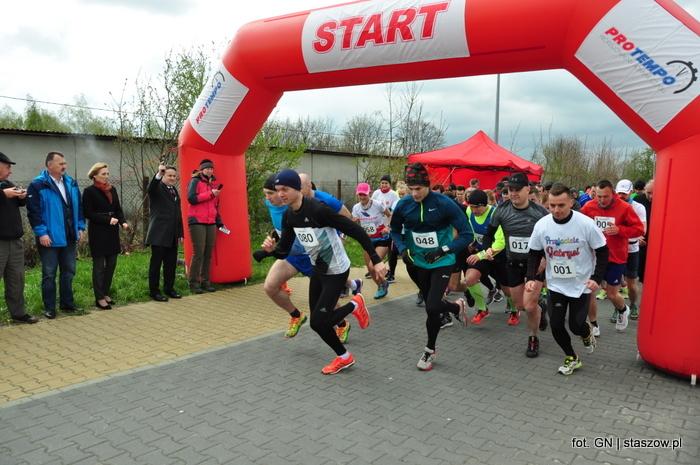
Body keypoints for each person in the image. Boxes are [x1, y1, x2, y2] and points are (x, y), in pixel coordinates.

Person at [260, 169, 387, 375]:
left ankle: (355, 304)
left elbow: (354, 229)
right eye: (278, 190)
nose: (280, 194)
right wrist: (270, 250)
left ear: (298, 189)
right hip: (318, 268)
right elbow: (284, 249)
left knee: (319, 321)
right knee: (317, 323)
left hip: (337, 270)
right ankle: (345, 357)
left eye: (285, 189)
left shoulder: (318, 209)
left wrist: (376, 259)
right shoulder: (290, 216)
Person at [390, 163, 471, 371]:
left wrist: (443, 250)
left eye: (419, 189)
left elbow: (466, 235)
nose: (415, 193)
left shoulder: (444, 204)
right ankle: (455, 307)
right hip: (416, 262)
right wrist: (402, 249)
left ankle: (429, 350)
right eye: (411, 189)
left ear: (428, 185)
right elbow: (395, 230)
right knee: (431, 305)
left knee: (432, 307)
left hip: (441, 262)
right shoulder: (403, 204)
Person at [526, 183, 608, 375]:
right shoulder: (542, 225)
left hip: (581, 284)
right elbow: (534, 253)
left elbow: (603, 251)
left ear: (571, 202)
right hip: (556, 284)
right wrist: (530, 277)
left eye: (561, 205)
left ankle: (586, 332)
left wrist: (597, 278)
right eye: (552, 206)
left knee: (576, 326)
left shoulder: (585, 224)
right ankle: (572, 357)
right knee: (555, 324)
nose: (556, 210)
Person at [482, 172, 549, 358]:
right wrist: (487, 248)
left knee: (528, 307)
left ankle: (533, 337)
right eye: (510, 190)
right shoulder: (501, 210)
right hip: (512, 263)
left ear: (528, 189)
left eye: (518, 190)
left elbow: (550, 238)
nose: (513, 193)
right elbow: (489, 234)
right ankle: (540, 309)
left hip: (534, 264)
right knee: (520, 305)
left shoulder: (540, 212)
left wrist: (545, 258)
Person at [27, 151, 85, 319]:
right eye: (60, 164)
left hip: (69, 236)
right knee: (49, 274)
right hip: (49, 238)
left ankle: (67, 304)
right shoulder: (38, 185)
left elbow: (78, 207)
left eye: (65, 163)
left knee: (69, 271)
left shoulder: (71, 183)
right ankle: (50, 308)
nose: (64, 166)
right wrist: (41, 233)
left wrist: (80, 227)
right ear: (49, 165)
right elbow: (34, 212)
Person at [581, 180, 644, 334]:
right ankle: (594, 325)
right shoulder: (589, 207)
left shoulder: (625, 208)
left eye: (605, 197)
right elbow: (578, 222)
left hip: (615, 257)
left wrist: (620, 230)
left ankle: (623, 309)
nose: (601, 200)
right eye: (598, 196)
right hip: (594, 257)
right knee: (590, 292)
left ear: (613, 194)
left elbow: (639, 229)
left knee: (611, 294)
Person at [82, 163, 129, 310]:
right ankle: (99, 297)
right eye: (103, 174)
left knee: (112, 264)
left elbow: (118, 209)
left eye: (108, 174)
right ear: (94, 175)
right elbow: (88, 213)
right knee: (99, 266)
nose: (106, 176)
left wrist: (123, 222)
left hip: (112, 231)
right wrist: (107, 220)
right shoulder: (89, 191)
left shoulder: (112, 189)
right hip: (98, 231)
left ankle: (106, 292)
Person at [0, 152, 38, 324]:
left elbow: (18, 203)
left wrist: (22, 197)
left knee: (17, 279)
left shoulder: (8, 184)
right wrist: (3, 195)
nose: (10, 171)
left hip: (15, 241)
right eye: (8, 167)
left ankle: (18, 313)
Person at [146, 162, 184, 302]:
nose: (172, 178)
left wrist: (180, 233)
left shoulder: (174, 191)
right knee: (156, 264)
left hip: (172, 235)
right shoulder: (157, 188)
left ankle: (169, 288)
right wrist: (158, 174)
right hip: (159, 234)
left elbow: (177, 214)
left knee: (171, 264)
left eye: (174, 176)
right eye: (169, 175)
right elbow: (150, 189)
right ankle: (154, 291)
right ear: (163, 176)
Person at [186, 159, 222, 294]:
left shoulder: (213, 184)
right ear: (201, 170)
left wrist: (218, 220)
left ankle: (206, 281)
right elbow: (191, 198)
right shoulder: (195, 181)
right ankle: (194, 283)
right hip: (197, 221)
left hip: (211, 222)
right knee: (198, 253)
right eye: (207, 168)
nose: (210, 170)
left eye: (211, 169)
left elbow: (215, 206)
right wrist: (211, 194)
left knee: (208, 254)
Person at [614, 179, 646, 321]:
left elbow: (642, 229)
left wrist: (623, 232)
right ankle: (619, 308)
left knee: (631, 284)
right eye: (619, 193)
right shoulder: (612, 206)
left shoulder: (638, 207)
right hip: (616, 250)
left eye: (624, 194)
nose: (621, 196)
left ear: (631, 192)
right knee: (614, 284)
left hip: (632, 249)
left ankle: (633, 304)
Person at [352, 182, 391, 299]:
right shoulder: (356, 208)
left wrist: (387, 227)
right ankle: (382, 284)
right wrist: (354, 221)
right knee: (369, 268)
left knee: (373, 264)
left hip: (381, 238)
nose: (362, 197)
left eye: (364, 194)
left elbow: (389, 215)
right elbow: (354, 222)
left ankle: (382, 283)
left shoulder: (378, 204)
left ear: (369, 193)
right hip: (367, 240)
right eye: (360, 195)